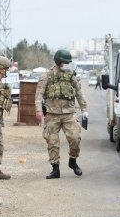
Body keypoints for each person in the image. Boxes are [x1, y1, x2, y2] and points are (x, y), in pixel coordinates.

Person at [36, 49, 87, 178]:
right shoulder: (47, 76)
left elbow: (79, 93)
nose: (67, 65)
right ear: (58, 62)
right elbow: (39, 95)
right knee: (52, 142)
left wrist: (84, 110)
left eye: (68, 62)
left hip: (69, 113)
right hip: (52, 114)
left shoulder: (71, 76)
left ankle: (73, 161)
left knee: (75, 138)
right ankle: (55, 168)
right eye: (65, 62)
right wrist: (38, 110)